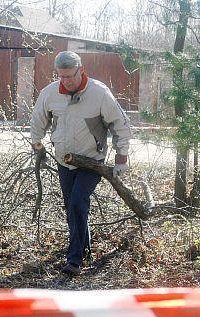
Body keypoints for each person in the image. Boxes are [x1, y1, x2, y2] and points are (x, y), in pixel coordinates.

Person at [30, 51, 132, 275]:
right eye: (61, 77)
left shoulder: (99, 93)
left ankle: (74, 260)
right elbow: (38, 119)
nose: (66, 82)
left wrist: (121, 157)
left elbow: (121, 125)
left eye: (70, 76)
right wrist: (38, 145)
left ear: (81, 70)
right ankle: (83, 247)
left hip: (91, 160)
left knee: (77, 201)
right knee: (72, 207)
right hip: (64, 161)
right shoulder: (50, 94)